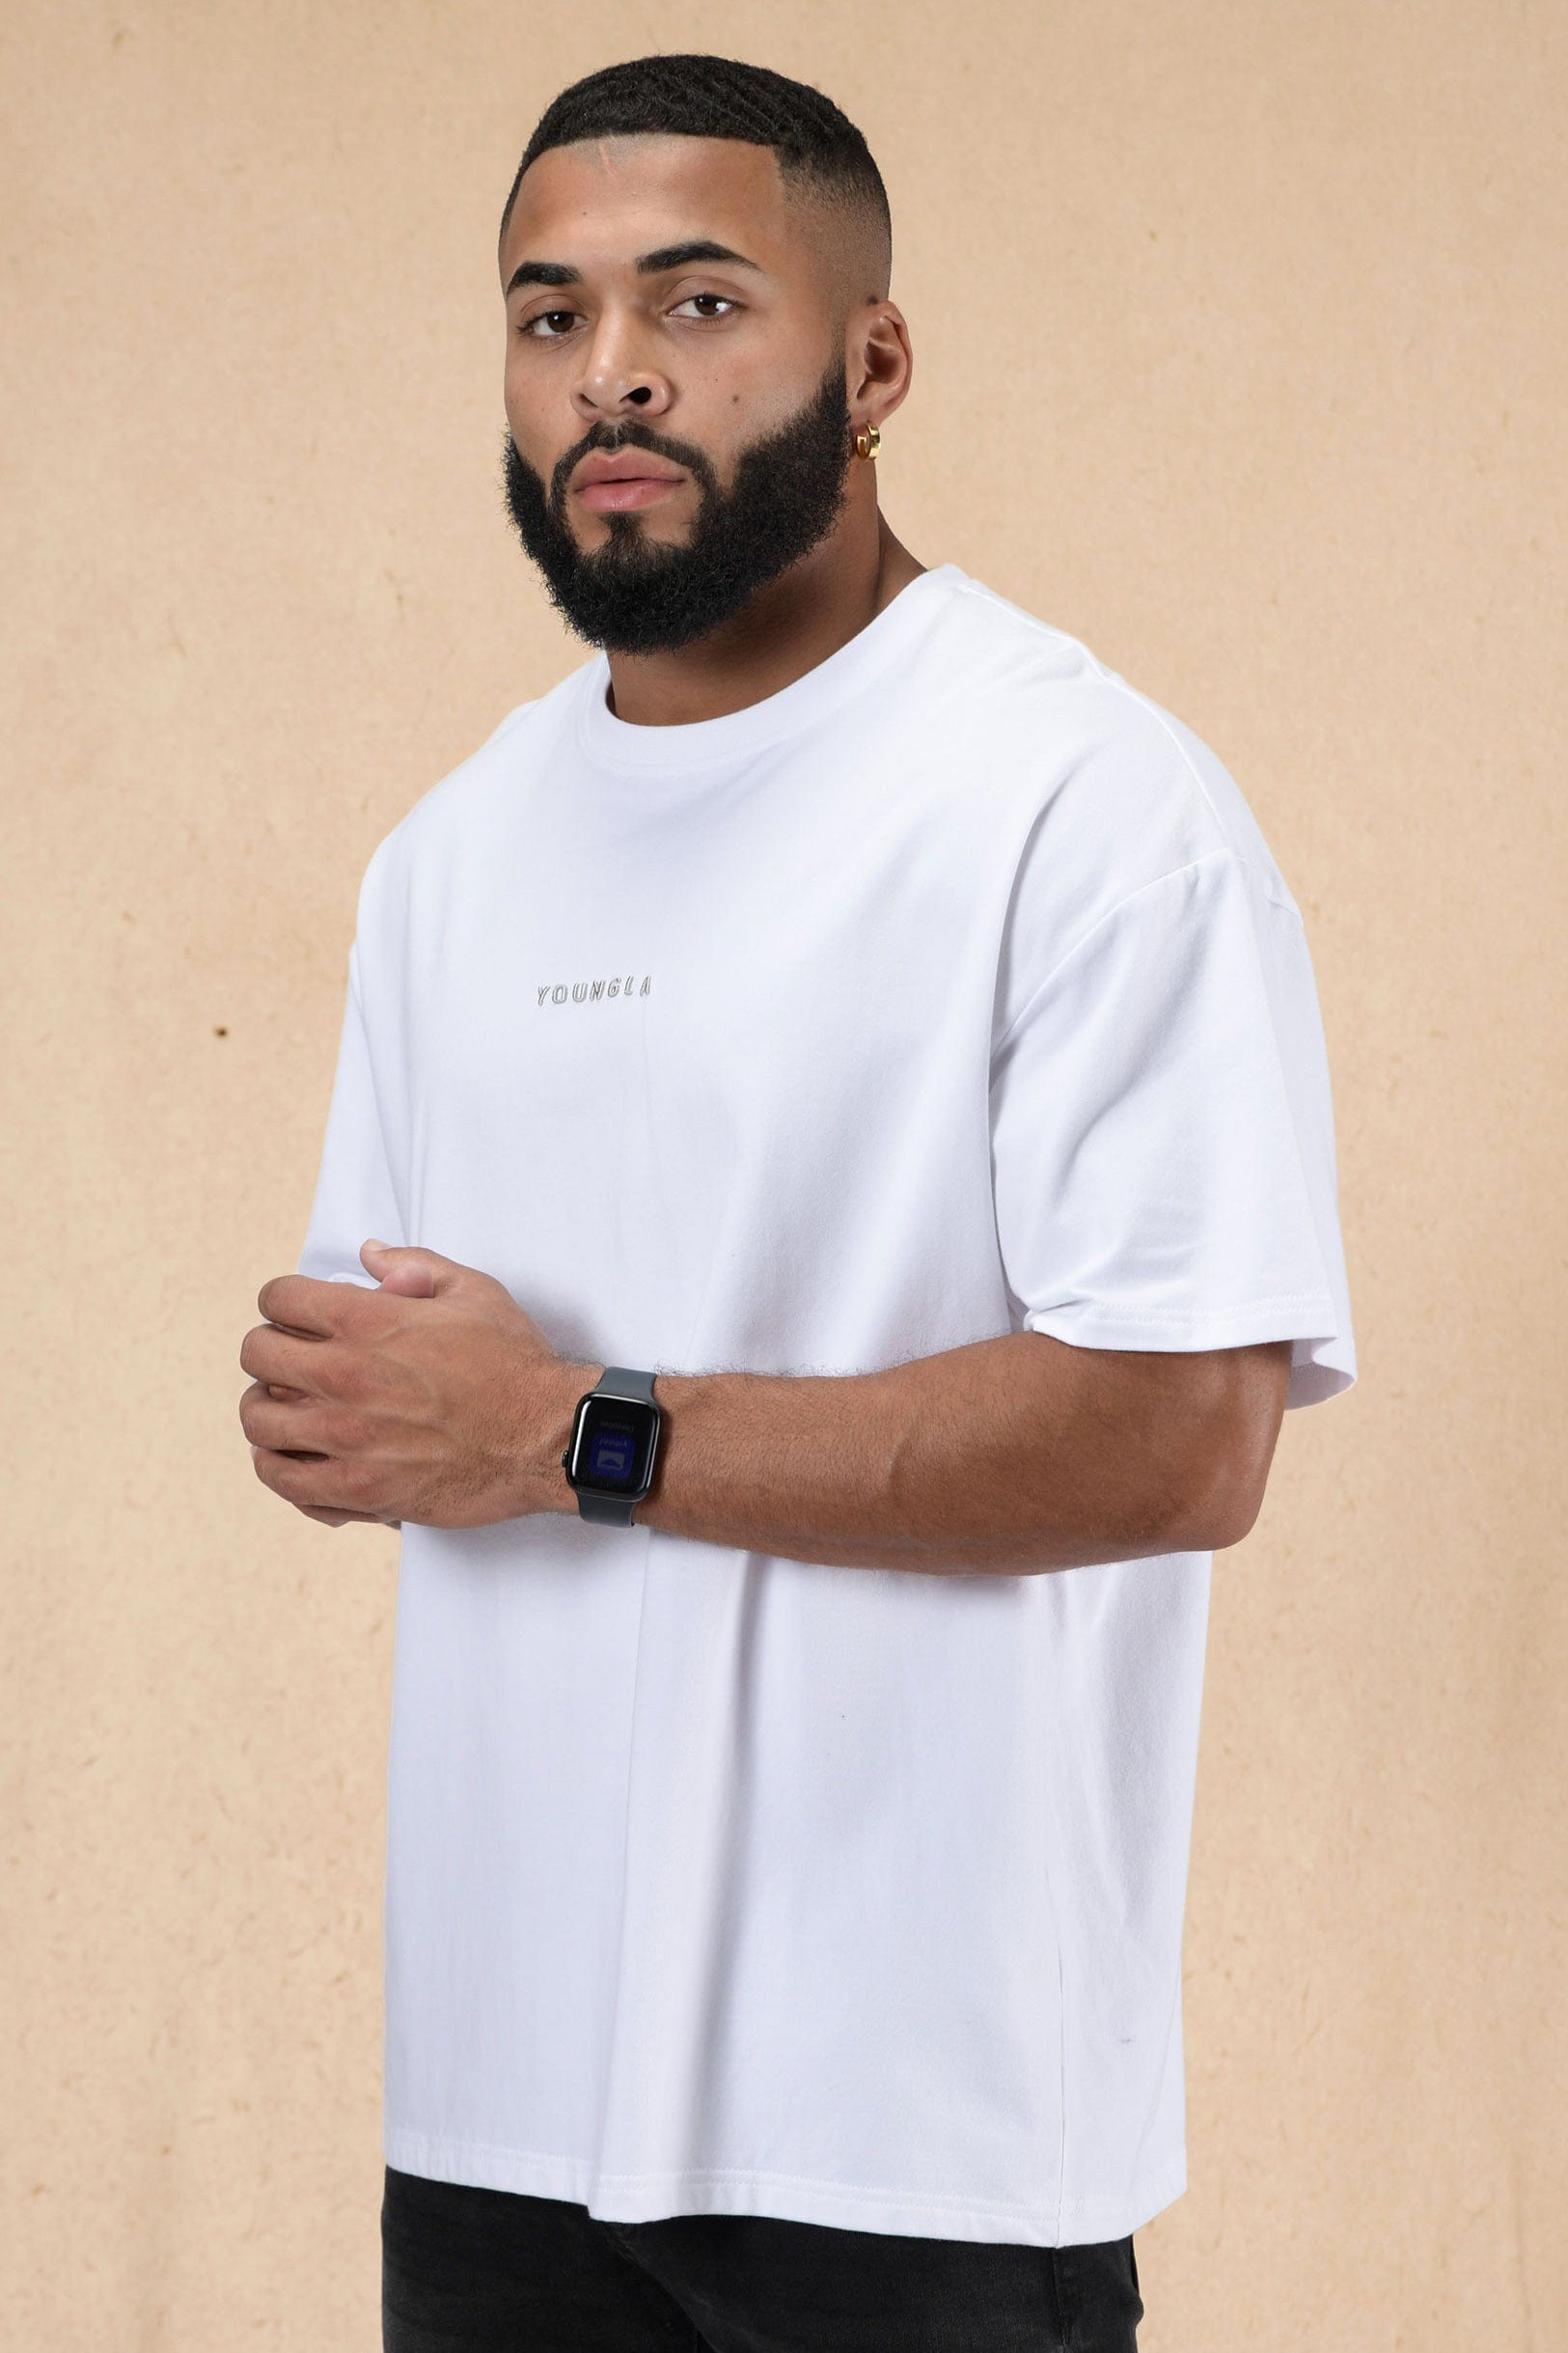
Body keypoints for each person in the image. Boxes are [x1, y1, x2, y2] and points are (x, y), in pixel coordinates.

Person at [239, 50, 1358, 2353]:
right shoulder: (450, 856)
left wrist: (561, 1430)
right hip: (498, 2116)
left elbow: (1181, 1437)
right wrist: (357, 1417)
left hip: (914, 2136)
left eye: (699, 301)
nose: (613, 372)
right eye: (548, 314)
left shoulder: (1079, 802)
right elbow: (398, 1396)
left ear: (875, 363)